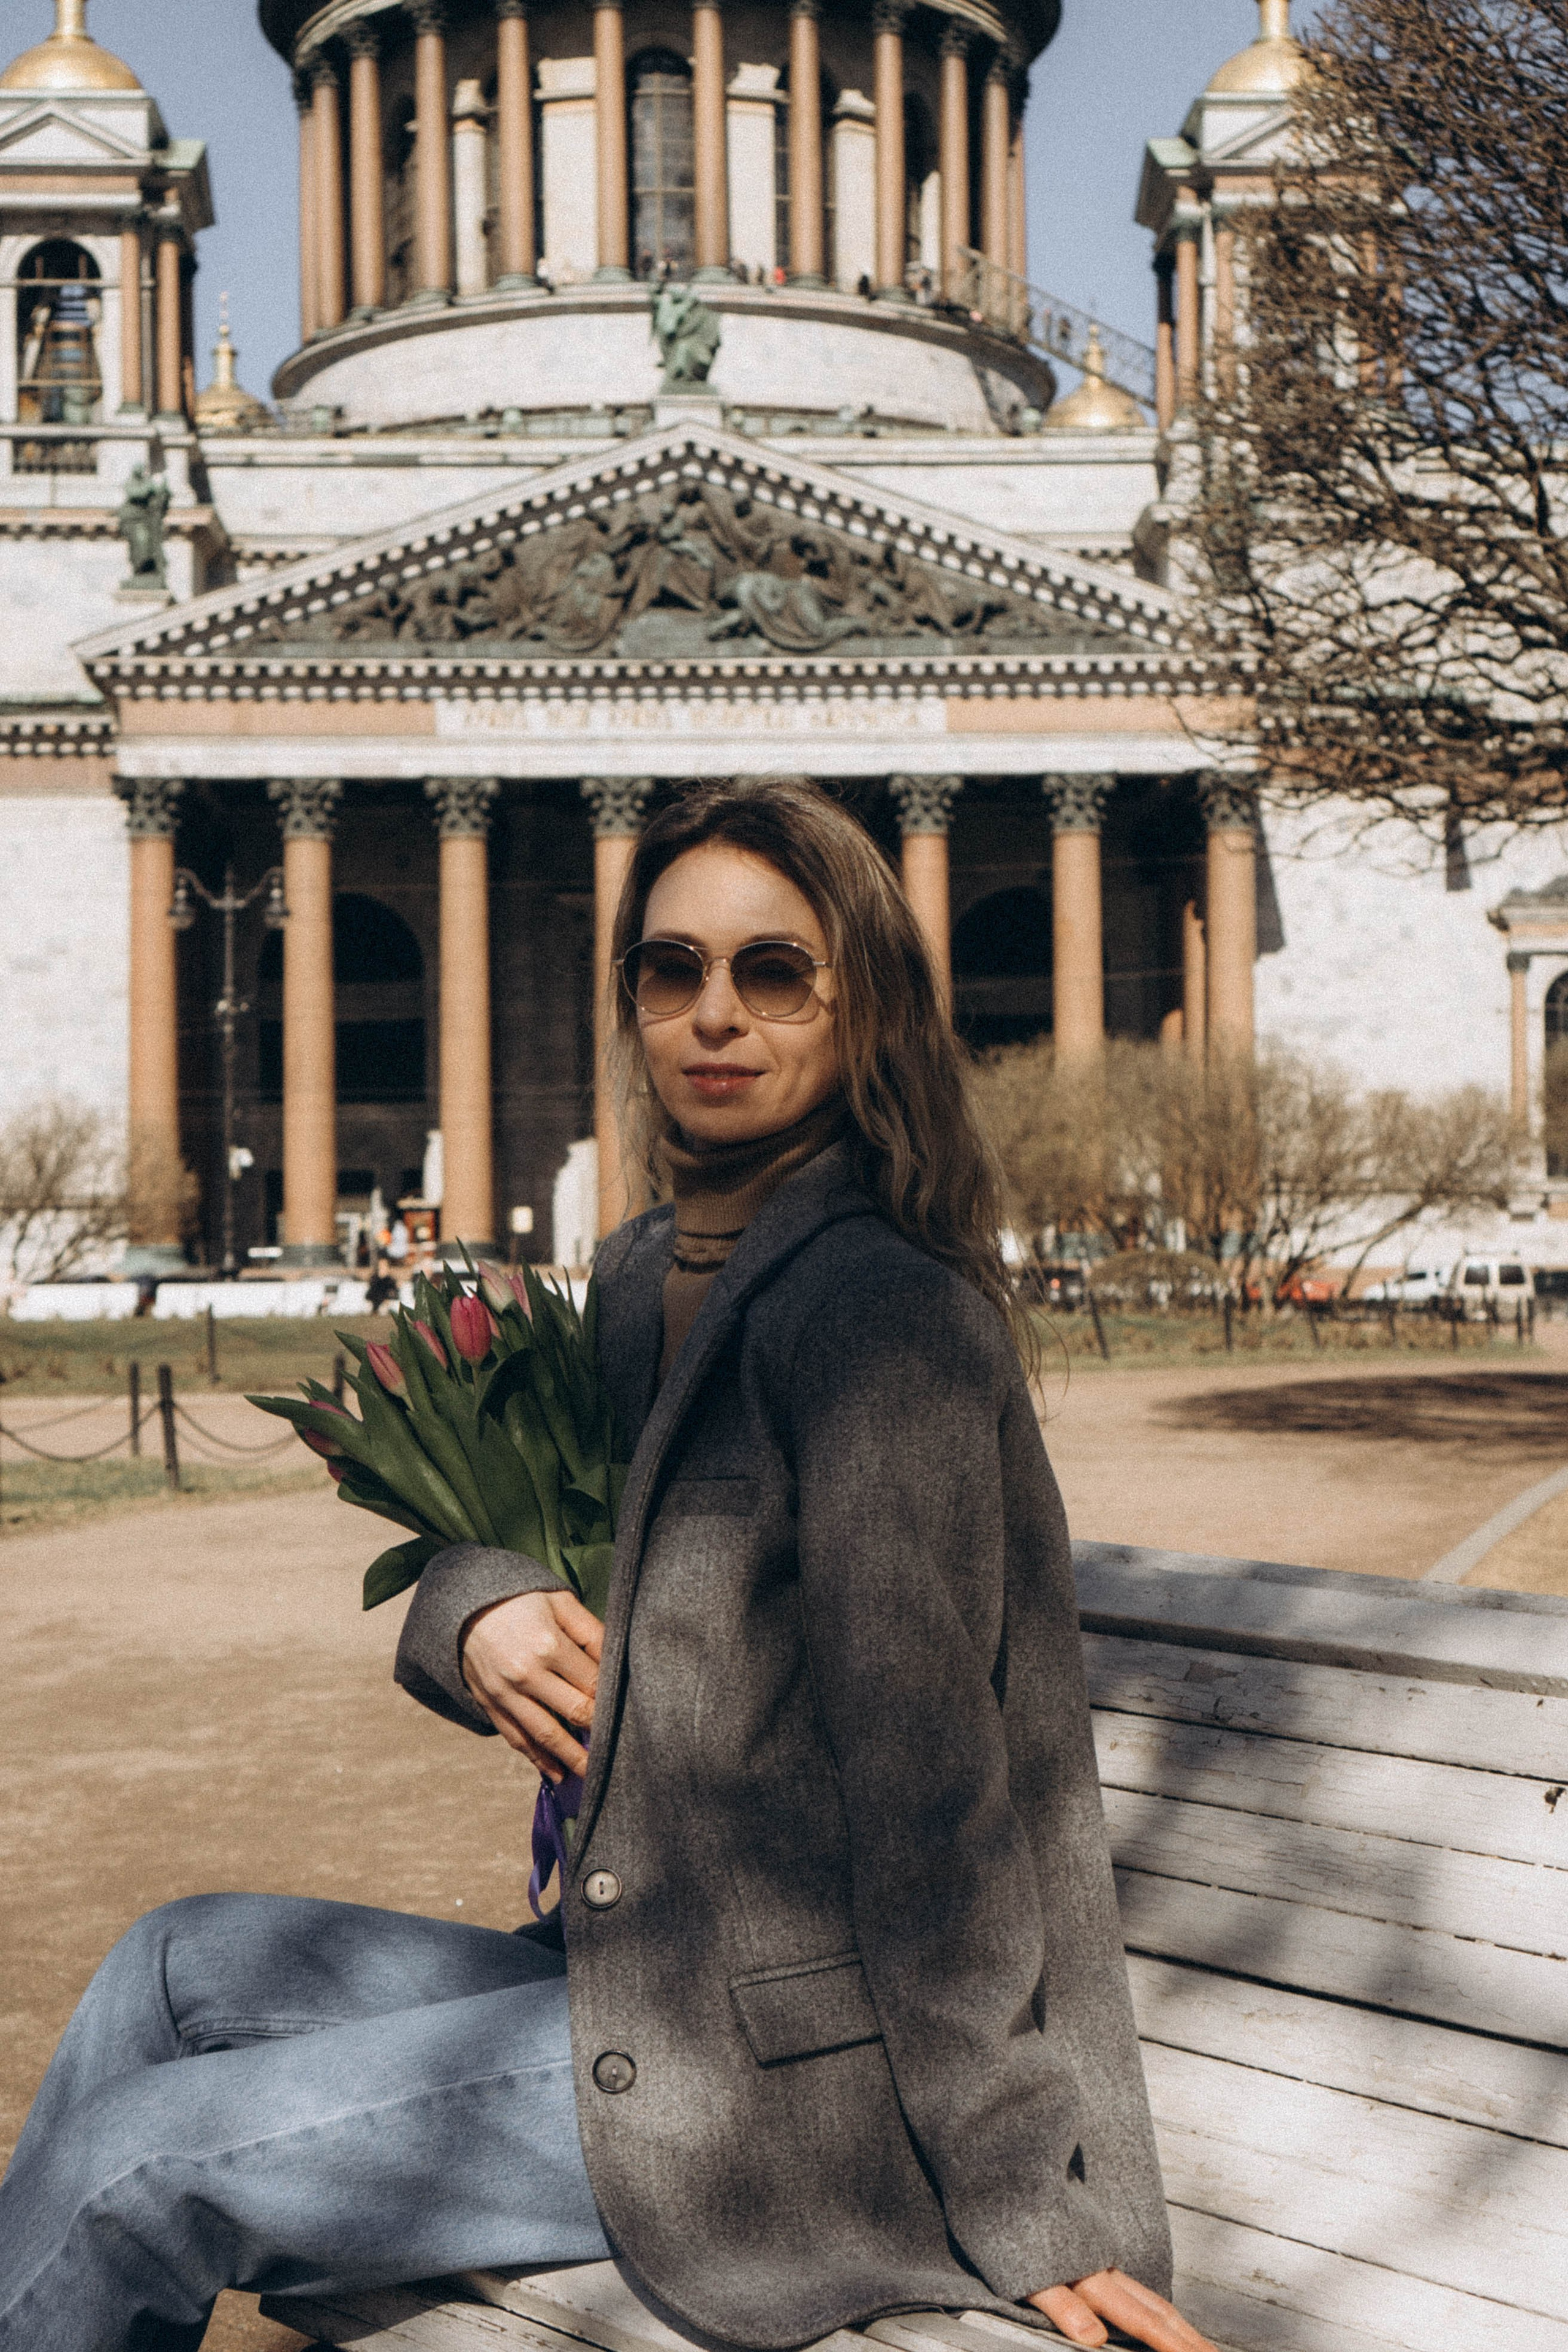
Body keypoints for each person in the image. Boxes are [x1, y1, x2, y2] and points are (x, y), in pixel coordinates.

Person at [0, 778, 1212, 2352]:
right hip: (640, 1978)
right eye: (670, 969)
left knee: (136, 2166)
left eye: (772, 974)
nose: (713, 1015)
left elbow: (941, 1795)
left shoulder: (879, 1313)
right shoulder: (648, 1273)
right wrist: (474, 1607)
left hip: (795, 2094)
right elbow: (569, 1554)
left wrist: (1021, 2191)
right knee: (171, 1964)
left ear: (869, 1010)